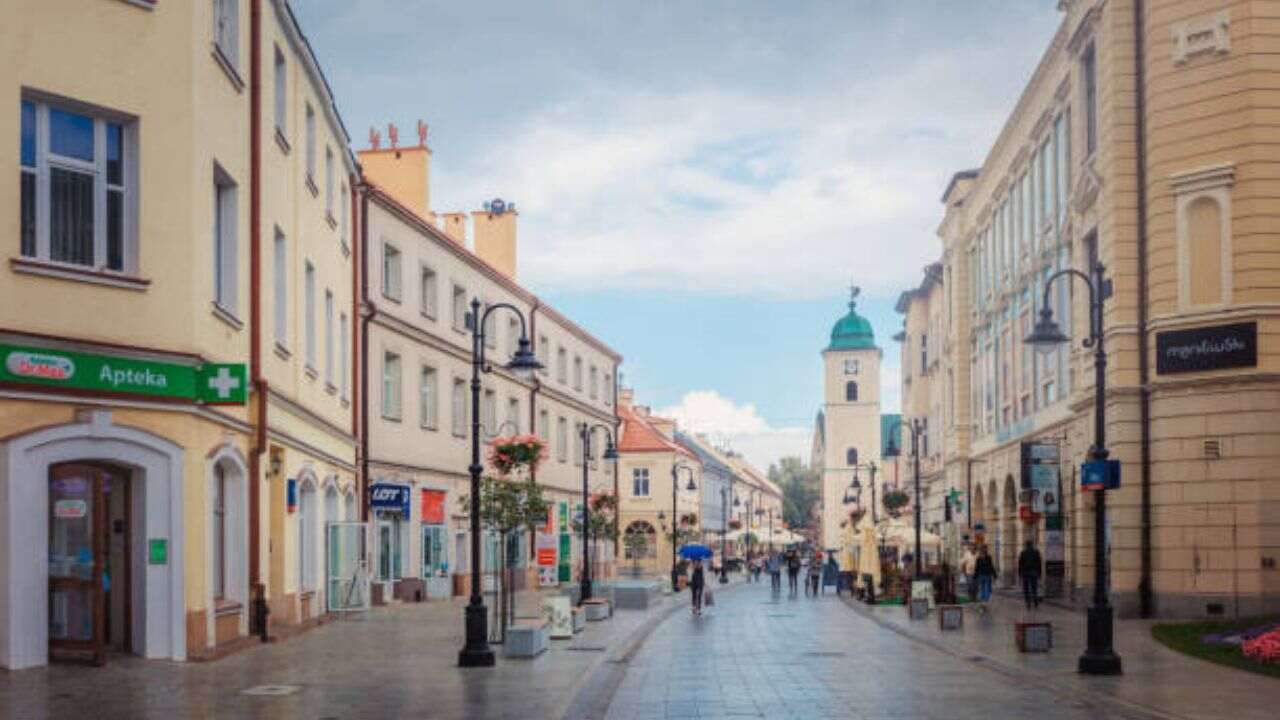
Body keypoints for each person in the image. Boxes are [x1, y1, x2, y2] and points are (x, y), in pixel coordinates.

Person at [1018, 540, 1043, 610]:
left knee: (1026, 588)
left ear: (1026, 545)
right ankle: (1035, 601)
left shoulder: (1023, 553)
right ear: (1032, 545)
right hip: (1034, 573)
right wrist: (1039, 573)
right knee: (1034, 588)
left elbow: (1020, 564)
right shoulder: (1036, 552)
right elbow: (1039, 563)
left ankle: (1028, 602)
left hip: (1025, 573)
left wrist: (1020, 574)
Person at [973, 545, 997, 610]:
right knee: (987, 588)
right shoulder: (988, 557)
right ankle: (985, 601)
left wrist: (975, 576)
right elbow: (991, 566)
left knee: (983, 588)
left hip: (982, 575)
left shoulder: (979, 558)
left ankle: (983, 601)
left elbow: (977, 568)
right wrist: (994, 575)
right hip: (986, 575)